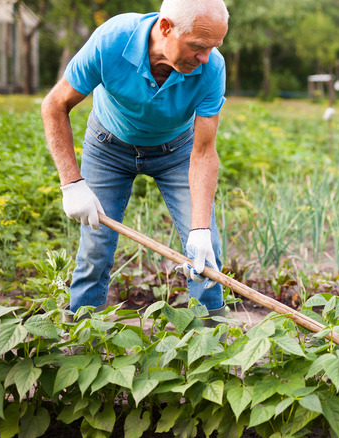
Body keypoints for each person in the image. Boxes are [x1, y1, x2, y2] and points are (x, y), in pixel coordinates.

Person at [41, 0, 229, 325]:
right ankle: (81, 334)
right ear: (166, 27)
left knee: (205, 249)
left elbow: (203, 153)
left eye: (213, 47)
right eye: (198, 46)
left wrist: (200, 228)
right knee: (95, 247)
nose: (206, 58)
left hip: (177, 152)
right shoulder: (113, 40)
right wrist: (71, 184)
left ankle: (210, 340)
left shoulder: (211, 68)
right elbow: (55, 104)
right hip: (108, 147)